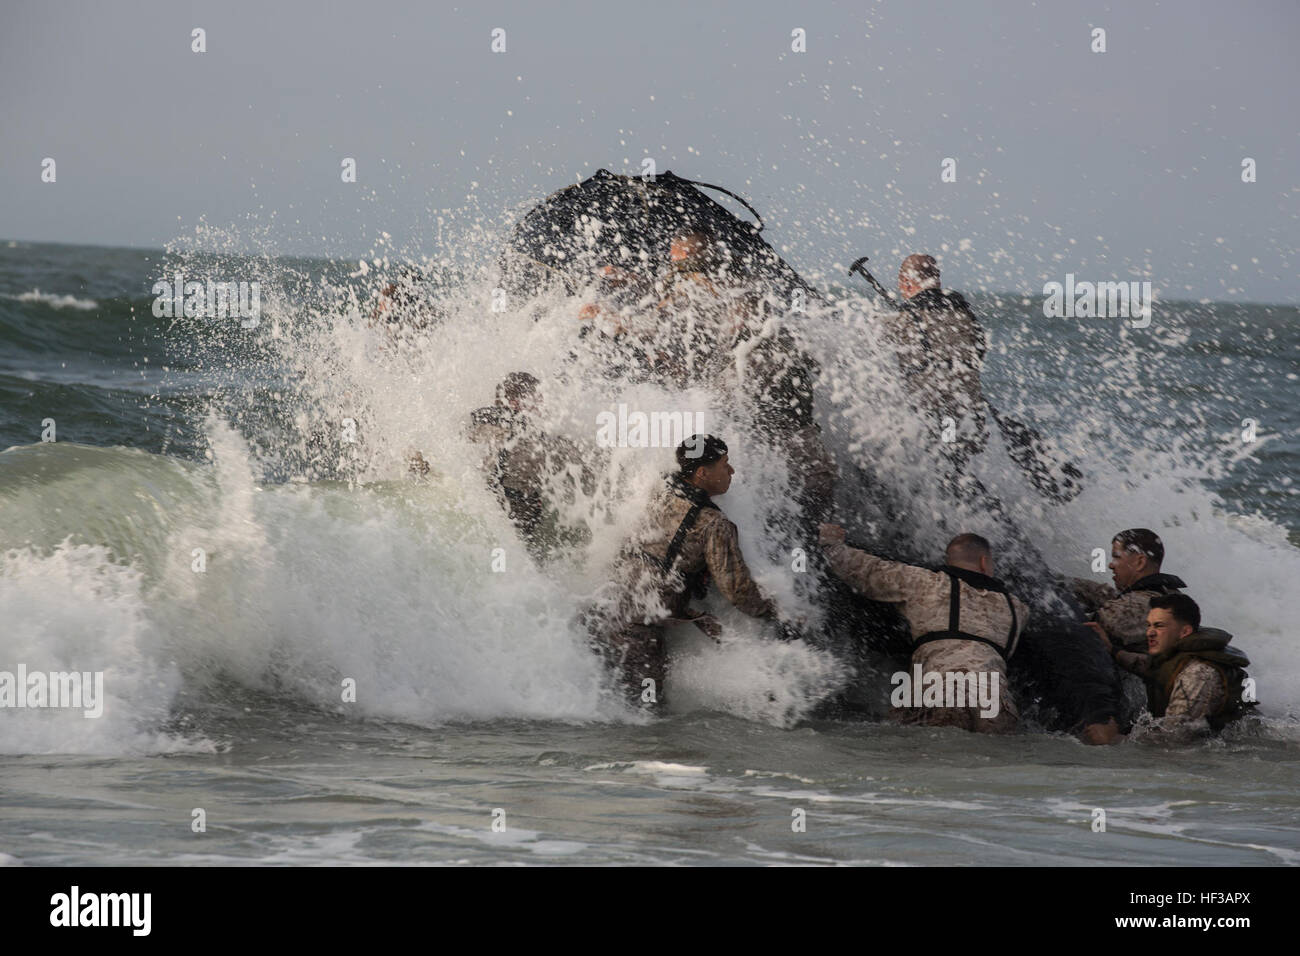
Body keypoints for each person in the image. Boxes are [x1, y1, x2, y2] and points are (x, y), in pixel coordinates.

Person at [588, 435, 779, 707]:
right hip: (637, 629)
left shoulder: (659, 488)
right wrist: (774, 612)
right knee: (645, 717)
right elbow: (737, 591)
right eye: (725, 465)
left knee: (609, 705)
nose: (732, 471)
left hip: (605, 606)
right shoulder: (713, 524)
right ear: (702, 473)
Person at [819, 526, 1027, 733]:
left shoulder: (925, 584)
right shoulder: (1017, 608)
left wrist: (830, 543)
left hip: (942, 693)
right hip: (994, 703)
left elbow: (866, 571)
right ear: (984, 563)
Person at [466, 372, 594, 560]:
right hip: (514, 509)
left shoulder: (485, 423)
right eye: (537, 398)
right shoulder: (528, 433)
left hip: (491, 510)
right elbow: (578, 466)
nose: (542, 404)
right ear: (516, 401)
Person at [880, 254, 989, 473]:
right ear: (937, 279)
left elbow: (874, 347)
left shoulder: (900, 320)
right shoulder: (966, 315)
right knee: (955, 459)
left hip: (931, 408)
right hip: (967, 409)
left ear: (907, 283)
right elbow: (979, 352)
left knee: (939, 461)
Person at [1093, 593, 1255, 737]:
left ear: (1184, 632)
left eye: (1159, 626)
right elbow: (1149, 666)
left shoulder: (1198, 674)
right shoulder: (1177, 656)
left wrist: (1115, 739)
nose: (1149, 632)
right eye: (1149, 625)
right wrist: (1113, 650)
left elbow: (1173, 737)